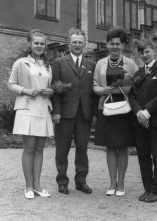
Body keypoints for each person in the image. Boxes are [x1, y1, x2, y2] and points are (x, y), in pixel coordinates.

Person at [7, 29, 54, 199]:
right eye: (36, 43)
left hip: (43, 108)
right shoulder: (20, 63)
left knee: (40, 149)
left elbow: (51, 86)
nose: (39, 46)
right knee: (29, 148)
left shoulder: (48, 66)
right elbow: (11, 84)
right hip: (27, 109)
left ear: (45, 46)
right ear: (30, 44)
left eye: (42, 43)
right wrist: (26, 90)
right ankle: (27, 186)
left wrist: (51, 91)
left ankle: (37, 185)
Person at [93, 26, 138, 197]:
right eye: (111, 43)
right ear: (107, 44)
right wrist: (103, 90)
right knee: (110, 146)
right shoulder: (100, 64)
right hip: (106, 108)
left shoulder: (130, 64)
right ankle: (112, 182)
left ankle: (121, 183)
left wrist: (125, 90)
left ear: (123, 45)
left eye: (118, 44)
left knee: (123, 146)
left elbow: (136, 85)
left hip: (124, 110)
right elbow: (95, 84)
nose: (114, 47)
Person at [51, 28, 97, 195]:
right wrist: (56, 112)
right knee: (62, 148)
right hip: (64, 113)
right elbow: (55, 88)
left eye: (80, 42)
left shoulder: (91, 65)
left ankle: (81, 180)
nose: (77, 45)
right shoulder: (59, 62)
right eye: (74, 42)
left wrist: (93, 113)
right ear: (69, 43)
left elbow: (93, 91)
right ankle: (62, 181)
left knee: (82, 148)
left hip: (84, 113)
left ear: (84, 44)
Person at [129, 39, 157, 203]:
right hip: (139, 122)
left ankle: (156, 190)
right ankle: (147, 188)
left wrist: (146, 113)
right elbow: (131, 96)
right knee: (143, 156)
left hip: (156, 121)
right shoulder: (138, 74)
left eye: (147, 51)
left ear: (153, 51)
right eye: (141, 52)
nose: (144, 55)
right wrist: (139, 112)